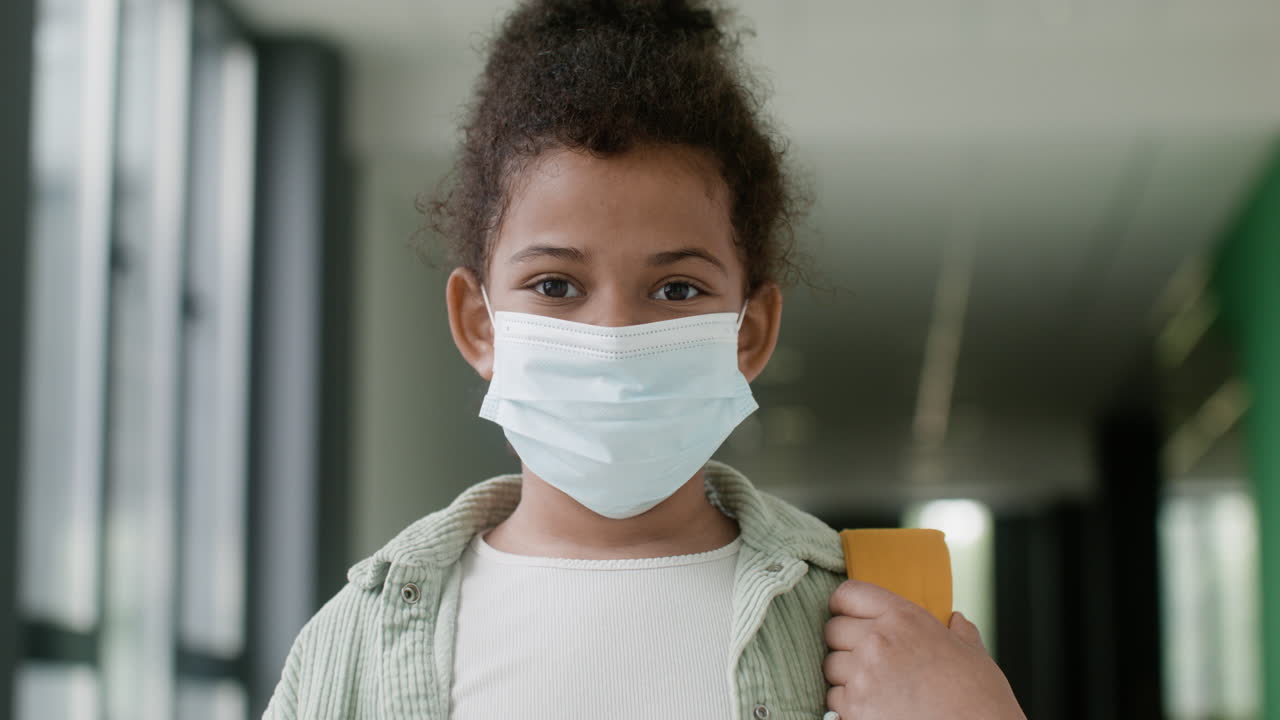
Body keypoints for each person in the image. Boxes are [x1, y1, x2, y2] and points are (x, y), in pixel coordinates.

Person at [263, 1, 1026, 718]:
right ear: (479, 323)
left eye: (676, 288)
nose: (615, 336)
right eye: (556, 284)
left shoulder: (879, 620)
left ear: (749, 331)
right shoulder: (354, 647)